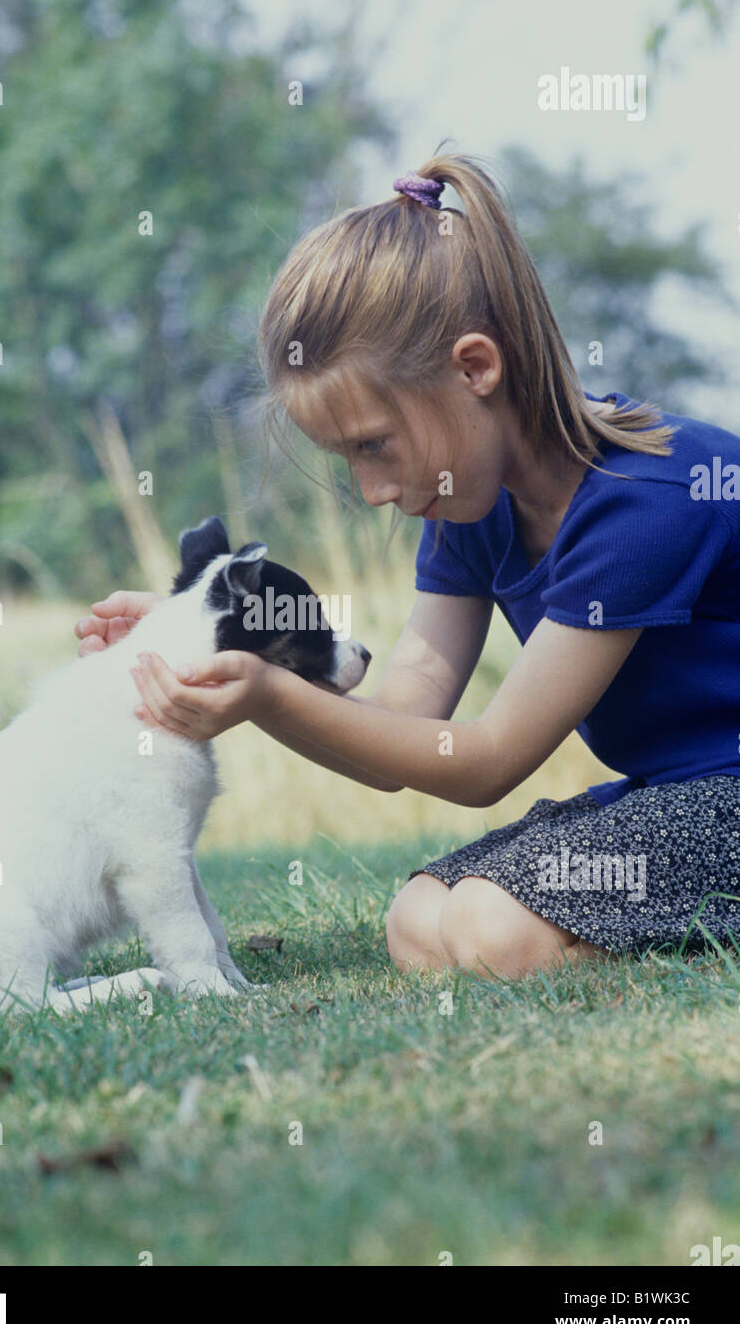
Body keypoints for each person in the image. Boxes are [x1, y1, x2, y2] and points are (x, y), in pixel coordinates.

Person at [74, 154, 740, 981]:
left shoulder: (643, 504)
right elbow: (404, 717)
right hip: (681, 793)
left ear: (474, 368)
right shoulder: (471, 499)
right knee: (421, 922)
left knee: (495, 931)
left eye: (373, 446)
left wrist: (264, 692)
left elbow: (488, 758)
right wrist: (212, 643)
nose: (372, 490)